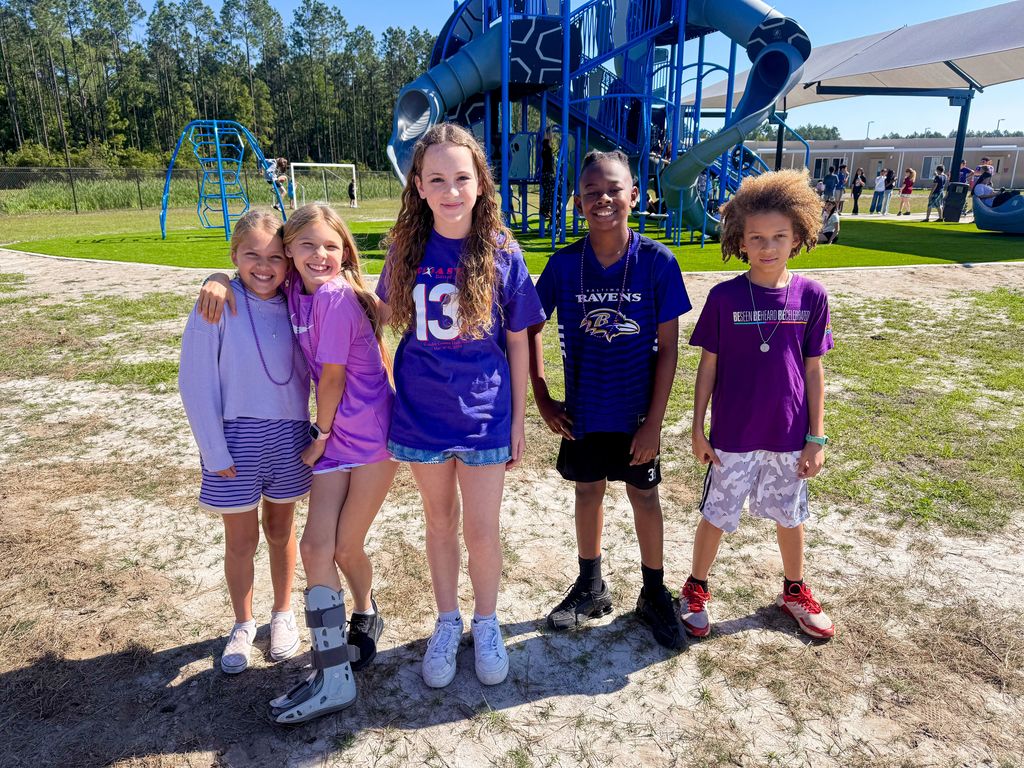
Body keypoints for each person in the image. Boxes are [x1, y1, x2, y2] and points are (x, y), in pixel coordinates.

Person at [195, 205, 397, 724]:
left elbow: (330, 380)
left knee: (344, 546)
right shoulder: (294, 291)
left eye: (330, 245)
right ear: (290, 255)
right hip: (331, 440)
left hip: (367, 438)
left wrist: (318, 437)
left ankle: (366, 614)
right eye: (305, 246)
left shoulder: (332, 295)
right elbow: (252, 274)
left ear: (346, 250)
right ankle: (333, 673)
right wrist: (218, 277)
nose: (319, 255)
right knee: (313, 546)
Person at [376, 123, 545, 689]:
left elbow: (519, 338)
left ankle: (487, 621)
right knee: (439, 521)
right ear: (419, 186)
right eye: (437, 179)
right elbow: (376, 313)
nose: (451, 190)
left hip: (484, 415)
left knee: (482, 530)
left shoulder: (501, 250)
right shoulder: (407, 247)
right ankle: (447, 621)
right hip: (422, 412)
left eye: (462, 178)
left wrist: (519, 418)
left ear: (480, 184)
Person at [528, 149, 692, 650]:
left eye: (614, 189)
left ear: (634, 195)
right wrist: (543, 397)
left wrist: (654, 423)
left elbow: (669, 350)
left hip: (635, 414)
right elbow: (529, 327)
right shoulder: (563, 265)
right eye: (592, 192)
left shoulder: (657, 262)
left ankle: (652, 590)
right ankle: (591, 584)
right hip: (583, 411)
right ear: (578, 202)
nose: (603, 199)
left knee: (644, 496)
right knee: (586, 491)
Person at [679, 169, 835, 642]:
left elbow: (813, 370)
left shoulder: (812, 296)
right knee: (717, 515)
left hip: (788, 434)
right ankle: (696, 588)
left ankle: (794, 590)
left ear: (799, 236)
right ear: (739, 240)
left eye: (779, 237)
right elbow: (708, 366)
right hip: (733, 434)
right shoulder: (724, 297)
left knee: (791, 516)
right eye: (757, 238)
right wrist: (698, 429)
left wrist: (816, 437)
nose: (768, 247)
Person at [179, 210, 310, 677]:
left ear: (289, 261)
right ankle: (242, 623)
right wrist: (213, 449)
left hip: (289, 435)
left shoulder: (299, 300)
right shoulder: (217, 302)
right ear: (234, 255)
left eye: (275, 256)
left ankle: (282, 614)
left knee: (281, 531)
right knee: (241, 539)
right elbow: (194, 380)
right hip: (235, 439)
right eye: (251, 254)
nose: (264, 265)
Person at [540, 133, 556, 224]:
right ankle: (545, 210)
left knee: (548, 193)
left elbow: (548, 142)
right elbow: (550, 140)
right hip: (548, 174)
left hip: (545, 174)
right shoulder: (548, 151)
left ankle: (545, 210)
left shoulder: (544, 152)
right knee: (550, 193)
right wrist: (549, 133)